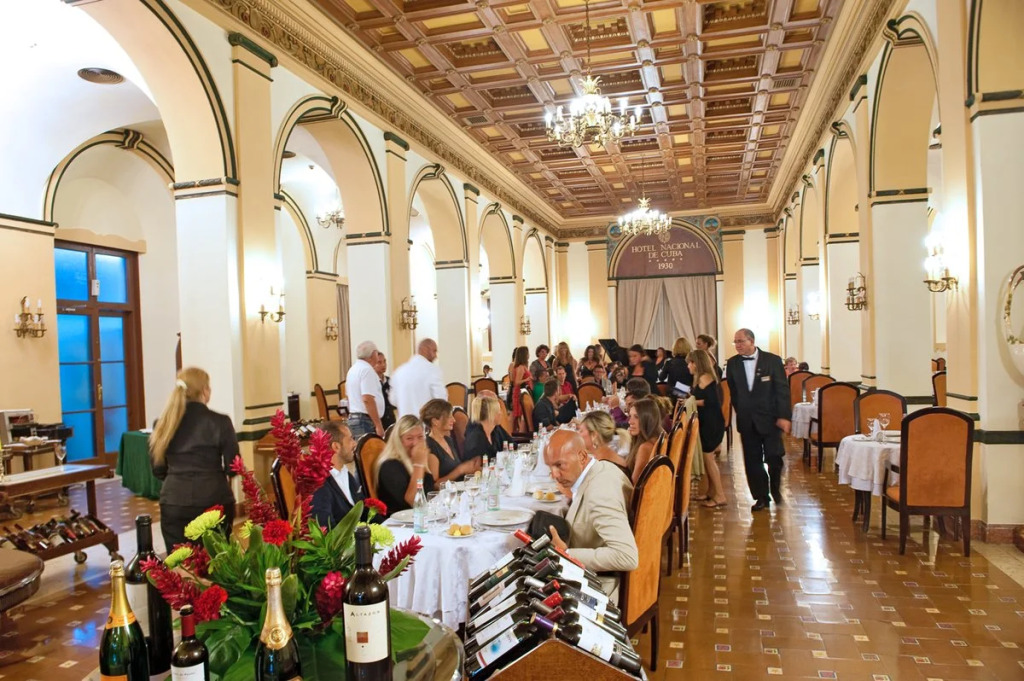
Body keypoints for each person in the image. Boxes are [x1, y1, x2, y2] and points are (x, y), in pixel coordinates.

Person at [150, 367, 237, 549]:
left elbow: (158, 469)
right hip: (214, 498)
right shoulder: (220, 421)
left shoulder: (162, 423)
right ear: (205, 391)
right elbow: (233, 466)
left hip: (174, 500)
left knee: (179, 560)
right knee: (216, 558)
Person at [544, 430, 638, 598]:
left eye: (559, 465)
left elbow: (626, 556)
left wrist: (566, 554)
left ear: (581, 456)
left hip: (599, 586)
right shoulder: (601, 468)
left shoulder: (599, 493)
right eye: (550, 467)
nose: (554, 475)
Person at [725, 328, 791, 512]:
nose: (737, 345)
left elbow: (782, 390)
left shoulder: (772, 361)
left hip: (771, 420)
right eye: (735, 342)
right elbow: (734, 392)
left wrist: (784, 416)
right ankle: (761, 496)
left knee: (774, 457)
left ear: (752, 341)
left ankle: (775, 488)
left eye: (741, 341)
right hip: (747, 421)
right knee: (752, 461)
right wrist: (741, 411)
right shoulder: (732, 364)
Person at [686, 349, 727, 508]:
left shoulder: (705, 378)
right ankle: (711, 491)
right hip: (708, 422)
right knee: (707, 458)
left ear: (697, 363)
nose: (688, 366)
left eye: (690, 363)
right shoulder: (703, 377)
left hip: (711, 423)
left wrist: (691, 402)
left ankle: (720, 495)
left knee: (709, 459)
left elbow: (711, 402)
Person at [373, 415, 434, 515]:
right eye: (409, 438)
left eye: (420, 437)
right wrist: (419, 465)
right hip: (398, 521)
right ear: (398, 440)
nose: (415, 443)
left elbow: (428, 492)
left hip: (420, 516)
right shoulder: (389, 465)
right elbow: (413, 501)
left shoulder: (414, 459)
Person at [310, 421, 364, 527]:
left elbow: (364, 508)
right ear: (336, 447)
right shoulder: (319, 484)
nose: (355, 443)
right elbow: (326, 528)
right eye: (351, 439)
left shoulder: (345, 473)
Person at [420, 399, 479, 484]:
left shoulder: (448, 440)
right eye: (449, 417)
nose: (454, 420)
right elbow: (434, 485)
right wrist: (460, 470)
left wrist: (470, 468)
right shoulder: (430, 447)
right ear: (435, 421)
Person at [391, 338, 447, 418]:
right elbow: (441, 400)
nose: (436, 356)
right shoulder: (432, 370)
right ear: (425, 349)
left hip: (404, 422)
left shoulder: (399, 371)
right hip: (425, 421)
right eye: (434, 351)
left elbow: (393, 400)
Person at [346, 341, 386, 439]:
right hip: (365, 420)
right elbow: (367, 399)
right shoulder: (367, 370)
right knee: (369, 448)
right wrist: (378, 425)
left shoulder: (353, 369)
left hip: (355, 417)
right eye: (376, 352)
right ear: (372, 355)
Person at [625, 397, 663, 485]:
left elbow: (635, 486)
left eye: (636, 417)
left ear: (648, 419)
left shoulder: (645, 447)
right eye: (630, 416)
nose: (630, 421)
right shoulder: (659, 436)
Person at [462, 394, 509, 461]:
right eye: (498, 410)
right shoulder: (476, 440)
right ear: (491, 414)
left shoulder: (494, 431)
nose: (501, 413)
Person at [507, 346, 533, 433]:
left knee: (520, 416)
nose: (529, 355)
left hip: (523, 392)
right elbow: (516, 382)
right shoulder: (521, 367)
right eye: (527, 353)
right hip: (519, 393)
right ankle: (520, 433)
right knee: (520, 416)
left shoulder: (523, 366)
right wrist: (527, 379)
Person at [376, 352, 396, 430]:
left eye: (384, 361)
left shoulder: (390, 381)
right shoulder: (372, 383)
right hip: (378, 421)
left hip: (390, 420)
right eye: (379, 362)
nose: (383, 365)